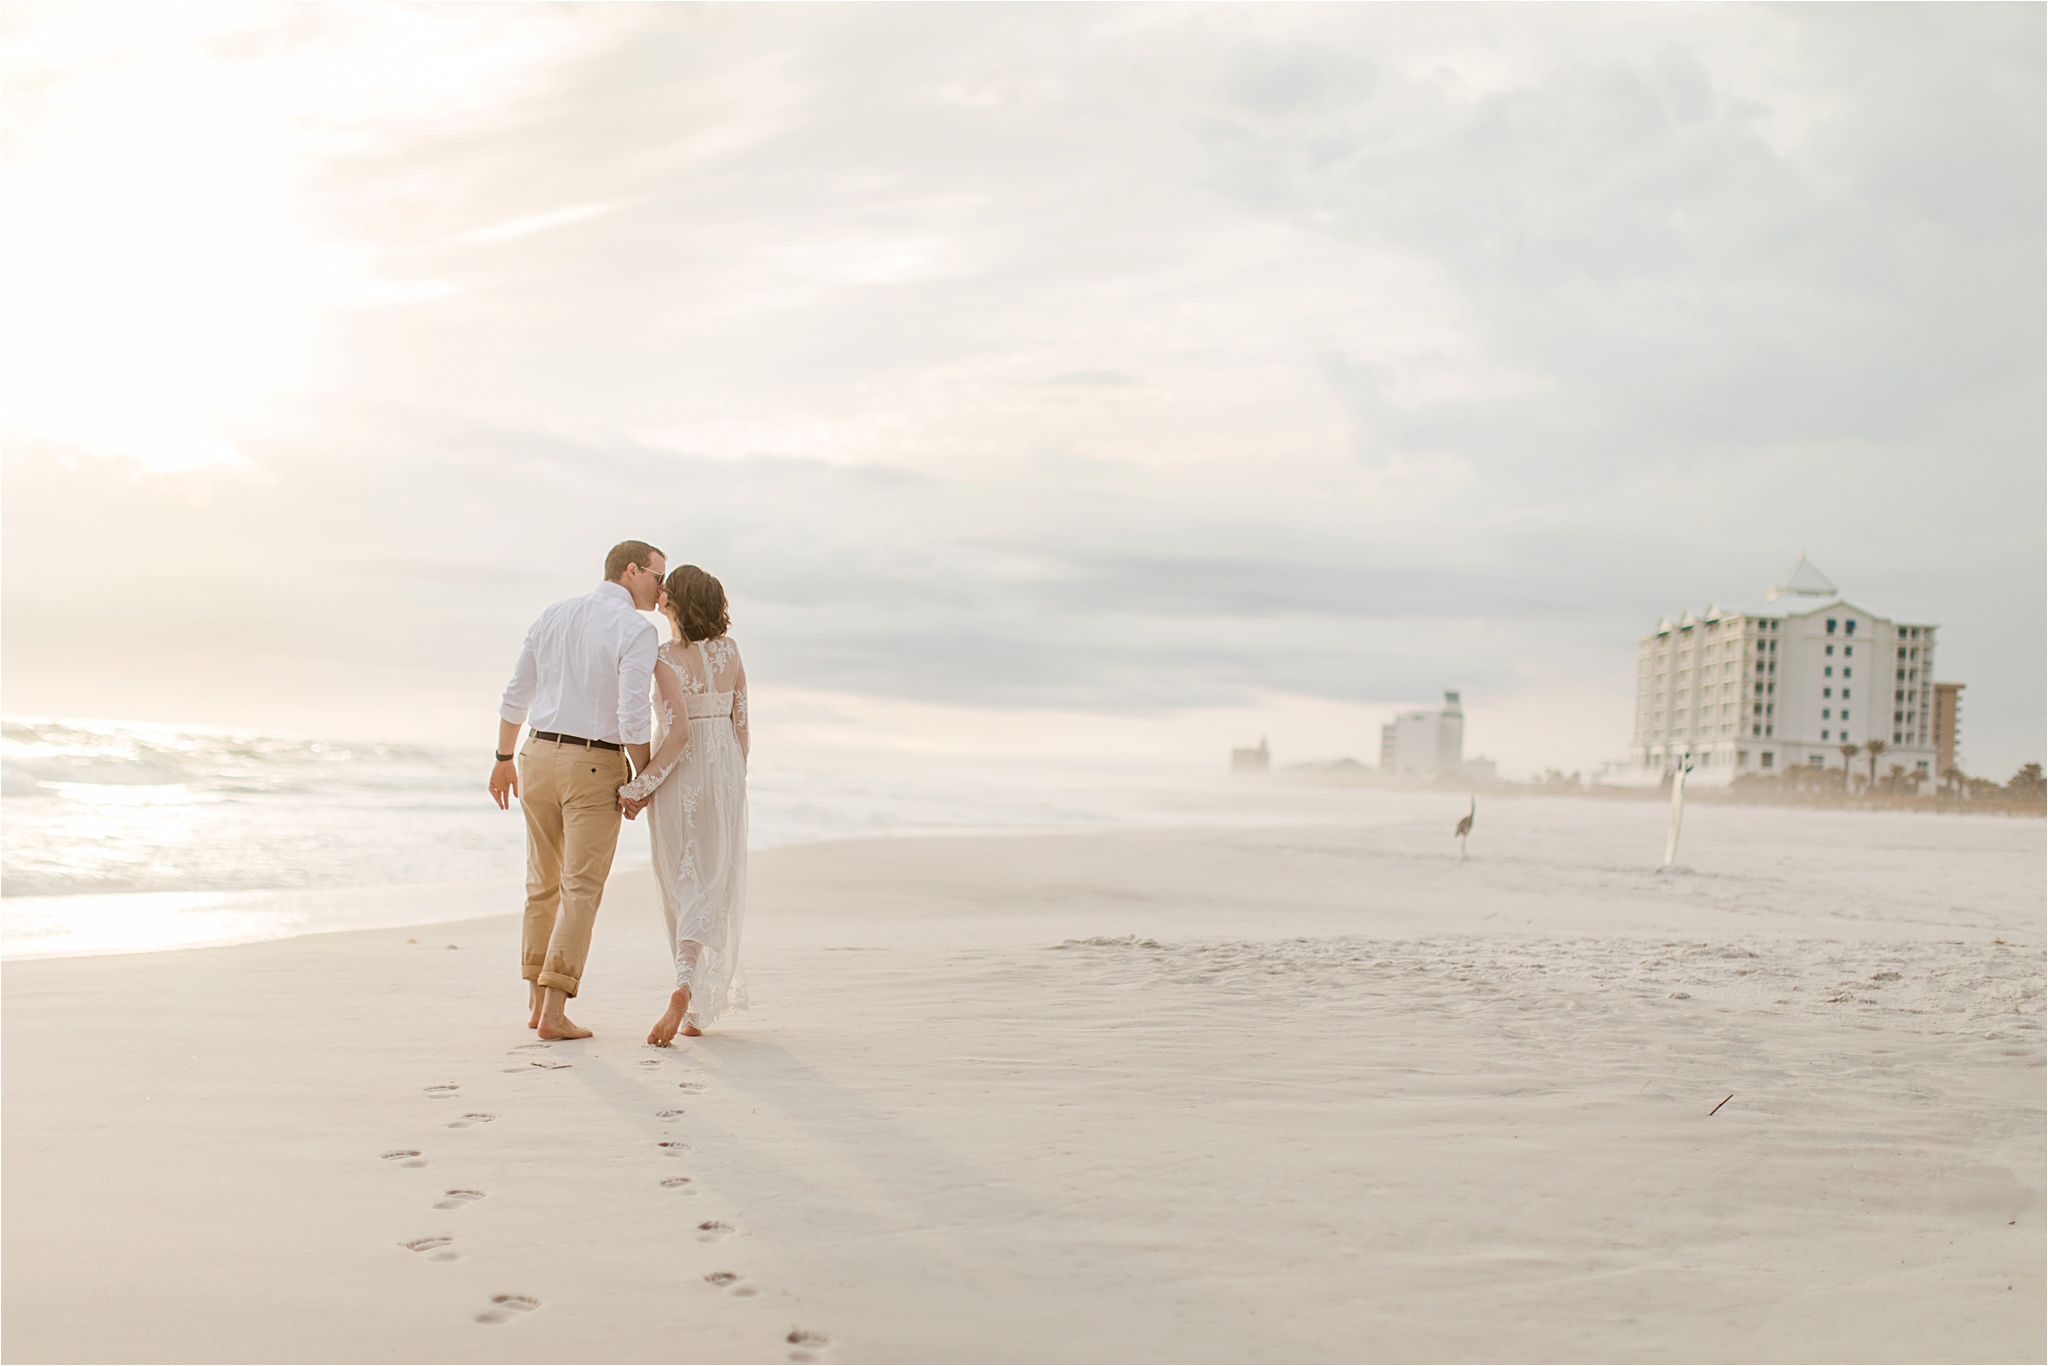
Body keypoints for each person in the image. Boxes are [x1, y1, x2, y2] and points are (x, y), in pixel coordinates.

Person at [490, 540, 665, 1040]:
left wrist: (503, 757)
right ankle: (554, 1011)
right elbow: (634, 714)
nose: (661, 588)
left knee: (540, 883)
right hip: (593, 762)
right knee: (580, 889)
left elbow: (516, 692)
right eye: (657, 576)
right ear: (631, 571)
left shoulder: (554, 613)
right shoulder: (635, 628)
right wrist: (644, 777)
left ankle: (533, 1002)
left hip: (536, 755)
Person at [618, 565, 750, 1045]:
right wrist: (734, 782)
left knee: (681, 879)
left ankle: (683, 985)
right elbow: (743, 729)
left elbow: (677, 734)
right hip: (726, 775)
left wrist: (641, 787)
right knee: (715, 881)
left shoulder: (663, 659)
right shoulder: (731, 652)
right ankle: (695, 1003)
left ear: (675, 602)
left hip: (682, 777)